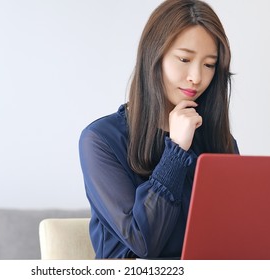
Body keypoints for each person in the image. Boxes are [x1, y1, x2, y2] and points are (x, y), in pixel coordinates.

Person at [79, 0, 239, 259]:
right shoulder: (101, 140)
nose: (196, 77)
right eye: (184, 59)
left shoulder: (220, 142)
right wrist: (176, 150)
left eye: (209, 64)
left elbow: (232, 236)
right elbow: (144, 242)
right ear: (154, 56)